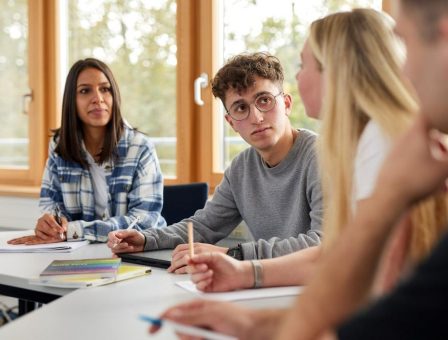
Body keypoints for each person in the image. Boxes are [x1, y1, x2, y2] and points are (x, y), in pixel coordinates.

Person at [148, 8, 448, 338]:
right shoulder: (373, 138)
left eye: (303, 65)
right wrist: (245, 283)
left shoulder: (382, 143)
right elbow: (339, 257)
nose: (297, 77)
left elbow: (358, 280)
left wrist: (254, 314)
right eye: (241, 108)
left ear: (338, 72)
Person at [107, 52, 323, 273]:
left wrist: (234, 255)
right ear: (231, 123)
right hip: (269, 285)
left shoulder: (323, 156)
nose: (256, 117)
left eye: (264, 100)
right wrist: (145, 239)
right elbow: (204, 226)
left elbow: (323, 244)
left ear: (286, 104)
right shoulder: (241, 168)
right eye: (241, 108)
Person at [8, 58, 166, 245]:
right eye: (85, 91)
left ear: (114, 95)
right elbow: (50, 203)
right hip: (79, 252)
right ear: (71, 101)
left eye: (105, 89)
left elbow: (143, 221)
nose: (98, 98)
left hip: (135, 252)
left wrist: (74, 230)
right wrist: (53, 225)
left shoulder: (140, 147)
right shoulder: (59, 145)